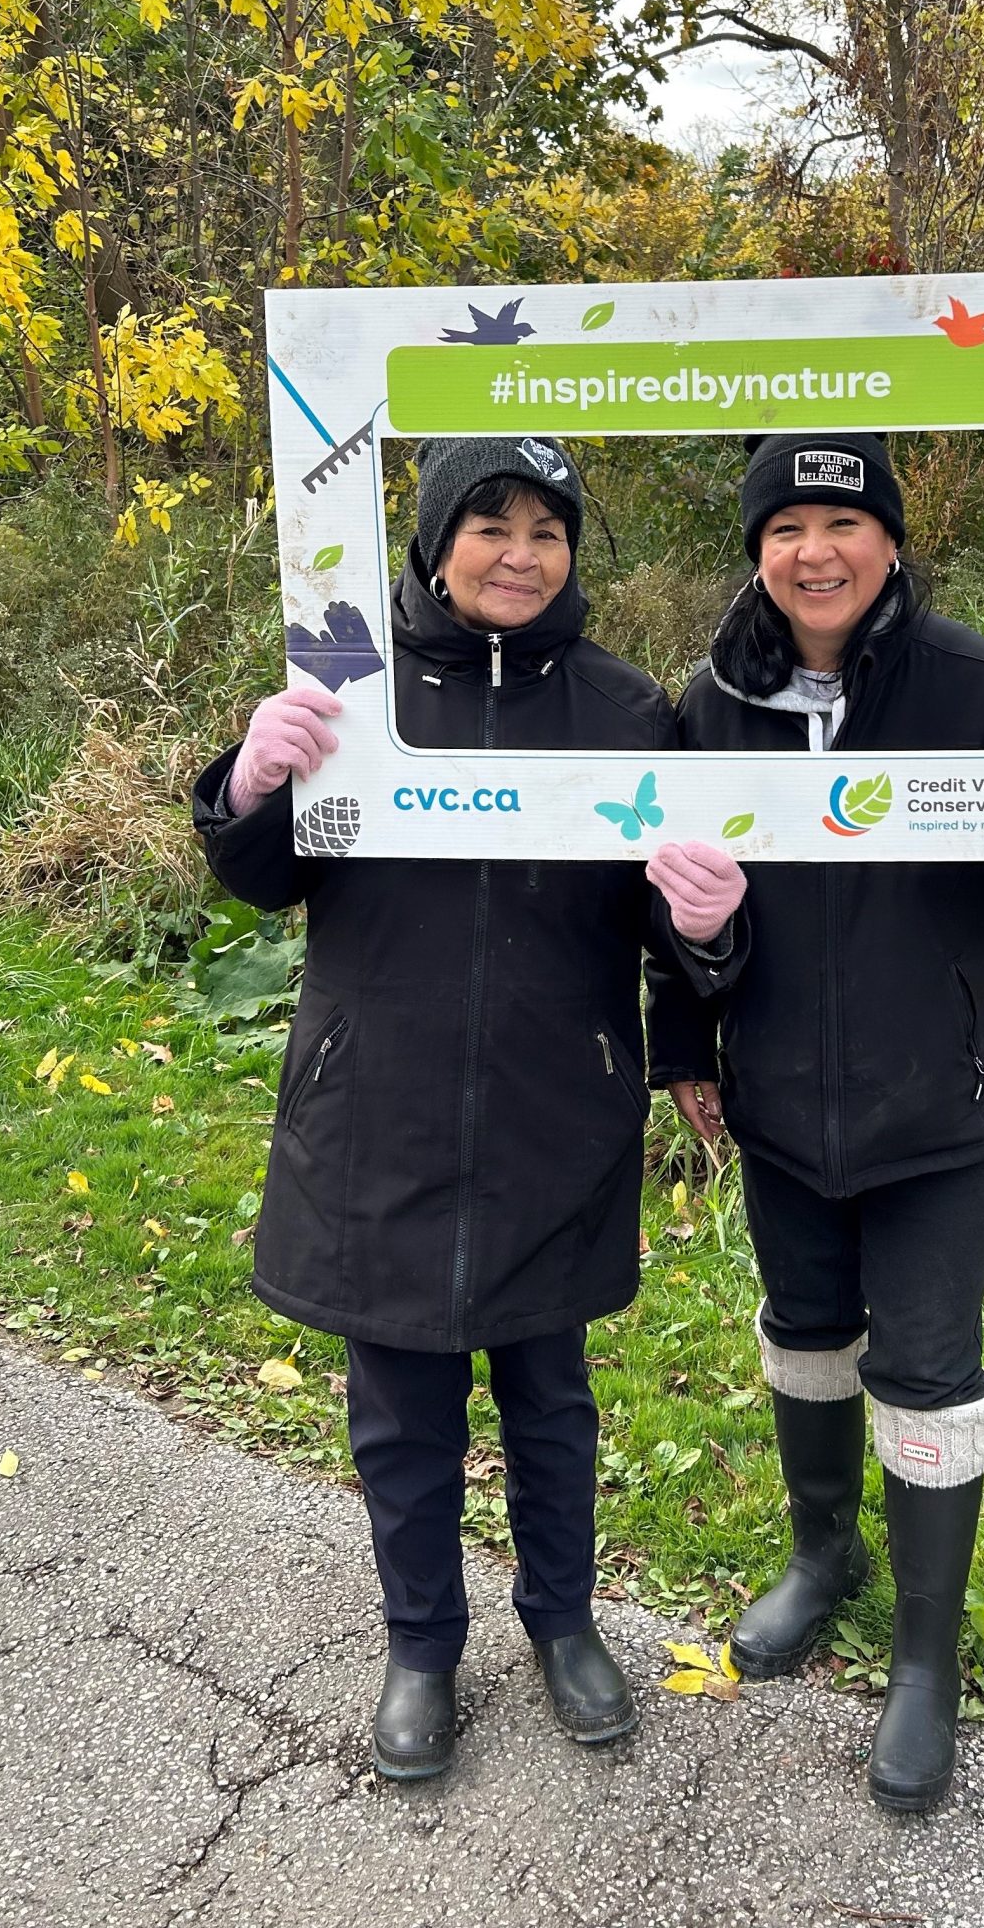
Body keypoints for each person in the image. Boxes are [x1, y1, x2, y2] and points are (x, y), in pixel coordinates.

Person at [193, 436, 746, 1784]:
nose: (518, 552)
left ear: (573, 556)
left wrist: (711, 934)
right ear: (435, 543)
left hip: (559, 1110)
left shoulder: (626, 709)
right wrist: (253, 780)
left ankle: (563, 1626)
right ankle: (422, 1647)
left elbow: (673, 930)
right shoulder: (352, 692)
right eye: (488, 523)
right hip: (379, 1106)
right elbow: (261, 881)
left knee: (551, 1399)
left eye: (547, 530)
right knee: (402, 1410)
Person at [647, 432, 984, 1814]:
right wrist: (689, 1030)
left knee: (924, 1366)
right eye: (788, 525)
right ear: (757, 547)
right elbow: (683, 898)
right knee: (807, 1333)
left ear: (891, 540)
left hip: (945, 1103)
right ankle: (825, 1560)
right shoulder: (713, 700)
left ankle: (926, 1661)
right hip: (780, 1103)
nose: (817, 552)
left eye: (845, 522)